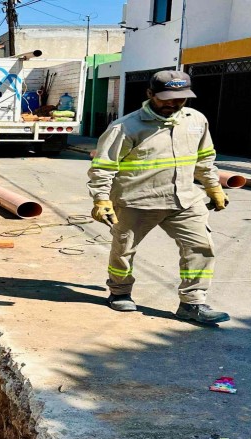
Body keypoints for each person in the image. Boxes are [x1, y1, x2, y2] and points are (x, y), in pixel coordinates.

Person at [87, 70, 230, 324]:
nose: (172, 104)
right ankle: (120, 292)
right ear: (150, 94)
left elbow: (205, 159)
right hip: (136, 201)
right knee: (124, 249)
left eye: (179, 99)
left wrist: (213, 188)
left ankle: (193, 302)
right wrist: (101, 199)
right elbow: (103, 167)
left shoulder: (196, 120)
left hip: (185, 200)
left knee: (201, 247)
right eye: (165, 98)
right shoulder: (126, 127)